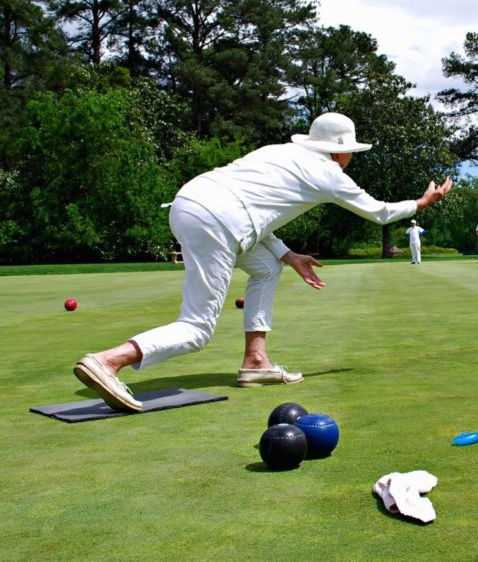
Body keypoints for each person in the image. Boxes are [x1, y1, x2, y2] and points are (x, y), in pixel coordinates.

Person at [73, 112, 453, 411]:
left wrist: (288, 256)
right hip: (218, 219)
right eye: (352, 150)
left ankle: (256, 361)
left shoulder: (276, 152)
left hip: (189, 202)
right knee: (197, 328)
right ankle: (109, 361)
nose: (351, 157)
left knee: (267, 266)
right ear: (340, 151)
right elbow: (380, 212)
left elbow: (249, 209)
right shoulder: (329, 173)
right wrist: (421, 204)